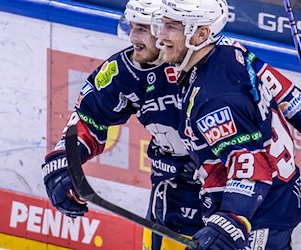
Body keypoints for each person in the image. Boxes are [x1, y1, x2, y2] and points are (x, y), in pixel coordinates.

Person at [151, 0, 301, 249]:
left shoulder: (215, 101)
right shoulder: (229, 49)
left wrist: (232, 220)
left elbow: (252, 169)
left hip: (260, 215)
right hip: (280, 198)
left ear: (201, 33)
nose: (160, 35)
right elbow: (282, 90)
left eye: (172, 27)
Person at [40, 1, 204, 249]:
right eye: (132, 26)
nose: (131, 36)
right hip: (175, 188)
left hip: (232, 187)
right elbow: (89, 117)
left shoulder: (217, 65)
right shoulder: (125, 72)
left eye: (141, 29)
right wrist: (64, 159)